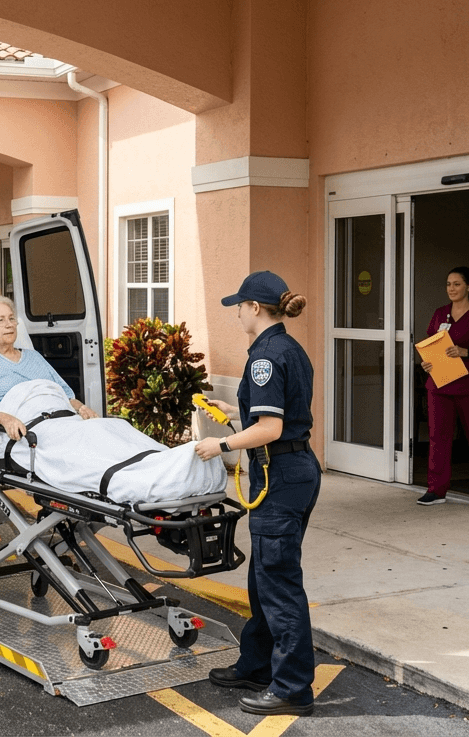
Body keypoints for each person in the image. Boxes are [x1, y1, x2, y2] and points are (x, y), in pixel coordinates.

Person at [194, 270, 320, 717]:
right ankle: (258, 665)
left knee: (278, 582)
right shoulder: (289, 348)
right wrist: (235, 409)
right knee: (264, 576)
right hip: (294, 469)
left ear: (255, 309)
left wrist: (220, 444)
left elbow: (271, 427)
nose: (238, 313)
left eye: (240, 306)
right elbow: (274, 411)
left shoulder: (265, 356)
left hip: (281, 473)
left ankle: (291, 688)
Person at [0, 295, 97, 437]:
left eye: (11, 318)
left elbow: (66, 396)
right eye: (0, 320)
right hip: (29, 427)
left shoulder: (34, 357)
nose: (9, 324)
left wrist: (81, 408)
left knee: (105, 431)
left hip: (63, 419)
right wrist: (5, 419)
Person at [417, 266, 469, 505]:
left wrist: (467, 351)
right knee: (438, 438)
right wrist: (428, 363)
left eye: (456, 284)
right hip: (440, 384)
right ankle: (436, 489)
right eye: (448, 284)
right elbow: (430, 346)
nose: (451, 289)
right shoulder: (440, 313)